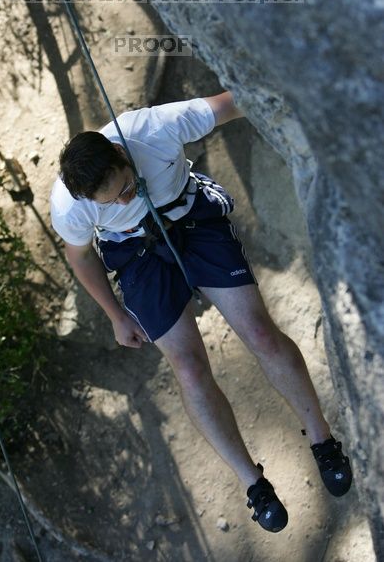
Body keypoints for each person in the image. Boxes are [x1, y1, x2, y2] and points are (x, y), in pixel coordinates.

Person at [50, 91, 352, 533]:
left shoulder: (155, 128)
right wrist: (116, 316)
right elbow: (81, 258)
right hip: (136, 254)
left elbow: (240, 98)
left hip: (191, 217)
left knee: (260, 333)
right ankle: (254, 484)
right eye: (109, 202)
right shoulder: (71, 206)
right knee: (189, 368)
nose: (121, 201)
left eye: (126, 188)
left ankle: (323, 441)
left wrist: (304, 95)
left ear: (120, 153)